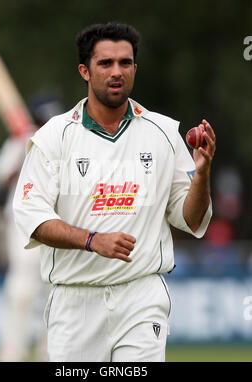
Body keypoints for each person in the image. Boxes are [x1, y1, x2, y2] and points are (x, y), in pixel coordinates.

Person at [13, 22, 216, 362]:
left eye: (125, 63)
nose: (116, 72)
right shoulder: (54, 137)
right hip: (74, 301)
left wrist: (203, 171)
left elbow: (190, 219)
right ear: (85, 71)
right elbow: (33, 219)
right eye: (105, 63)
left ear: (135, 68)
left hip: (141, 295)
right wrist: (93, 240)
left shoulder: (163, 132)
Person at [0, 93, 63, 362]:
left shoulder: (61, 140)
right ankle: (10, 355)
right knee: (21, 292)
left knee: (53, 294)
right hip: (22, 225)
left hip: (54, 223)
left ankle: (49, 355)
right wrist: (26, 154)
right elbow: (0, 177)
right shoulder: (20, 140)